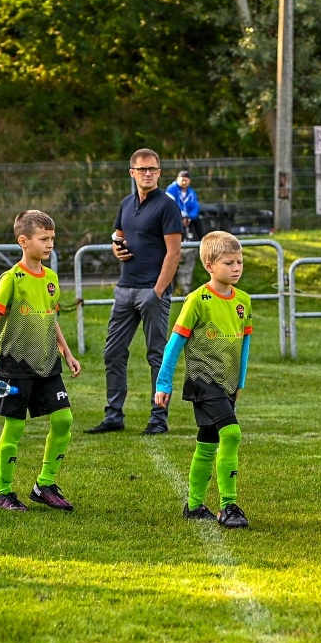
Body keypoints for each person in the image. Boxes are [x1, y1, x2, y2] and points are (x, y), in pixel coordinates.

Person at [0, 209, 82, 511]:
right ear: (24, 241)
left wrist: (66, 351)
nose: (50, 244)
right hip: (16, 365)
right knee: (15, 427)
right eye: (43, 239)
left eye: (52, 238)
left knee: (64, 419)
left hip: (49, 363)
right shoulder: (12, 279)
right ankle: (2, 491)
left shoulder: (50, 278)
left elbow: (51, 316)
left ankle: (45, 484)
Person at [154, 230, 252, 529]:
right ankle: (229, 506)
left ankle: (194, 505)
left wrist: (240, 383)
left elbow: (244, 345)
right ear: (210, 265)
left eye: (239, 262)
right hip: (202, 380)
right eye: (229, 263)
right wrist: (163, 383)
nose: (236, 268)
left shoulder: (244, 302)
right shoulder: (198, 299)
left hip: (226, 385)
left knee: (208, 441)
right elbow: (174, 344)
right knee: (232, 434)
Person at [85, 147, 183, 436]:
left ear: (159, 172)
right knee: (113, 353)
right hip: (125, 289)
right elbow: (119, 234)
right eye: (142, 169)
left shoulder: (167, 206)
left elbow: (174, 253)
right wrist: (116, 245)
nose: (148, 173)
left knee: (157, 356)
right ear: (132, 173)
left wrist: (158, 291)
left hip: (152, 292)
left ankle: (158, 418)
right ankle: (114, 416)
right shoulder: (127, 203)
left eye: (153, 169)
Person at [169, 169, 203, 238]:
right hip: (175, 216)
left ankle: (200, 242)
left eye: (186, 180)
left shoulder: (191, 193)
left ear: (189, 181)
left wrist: (190, 217)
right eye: (182, 180)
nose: (184, 182)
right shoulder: (171, 189)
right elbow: (170, 206)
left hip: (188, 217)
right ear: (177, 179)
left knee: (198, 220)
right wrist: (181, 216)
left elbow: (195, 207)